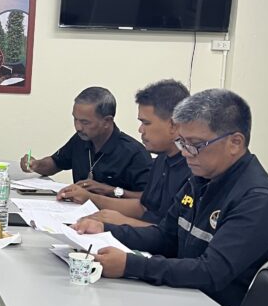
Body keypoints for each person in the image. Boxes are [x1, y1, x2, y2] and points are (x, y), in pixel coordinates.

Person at [75, 88, 268, 306]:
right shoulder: (200, 180)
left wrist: (130, 265)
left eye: (196, 144)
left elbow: (211, 272)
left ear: (235, 143)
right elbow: (166, 236)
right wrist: (105, 229)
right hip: (192, 300)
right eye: (182, 143)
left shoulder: (259, 201)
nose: (186, 153)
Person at [58, 79, 191, 226]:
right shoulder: (162, 160)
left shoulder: (193, 169)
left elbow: (173, 233)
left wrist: (124, 222)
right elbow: (143, 207)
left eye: (146, 123)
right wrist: (92, 200)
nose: (140, 130)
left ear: (174, 125)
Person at [19, 86, 151, 196]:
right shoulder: (80, 139)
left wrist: (111, 191)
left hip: (114, 217)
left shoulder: (134, 153)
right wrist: (36, 164)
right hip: (77, 212)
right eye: (75, 119)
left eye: (85, 122)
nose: (78, 127)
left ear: (107, 121)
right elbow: (56, 163)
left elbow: (148, 200)